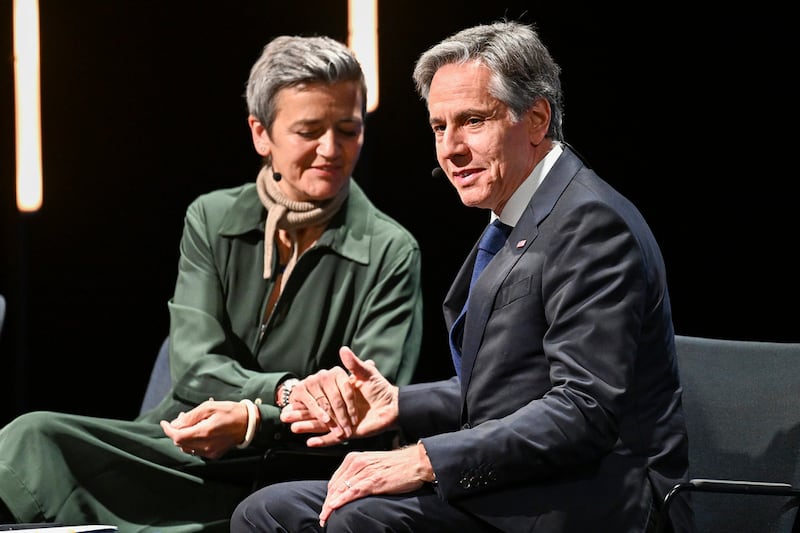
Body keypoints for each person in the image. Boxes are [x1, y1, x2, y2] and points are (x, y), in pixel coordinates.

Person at [230, 20, 694, 533]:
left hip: (595, 498)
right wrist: (398, 404)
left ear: (536, 118)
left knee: (355, 520)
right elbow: (513, 387)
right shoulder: (520, 211)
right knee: (266, 512)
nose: (449, 149)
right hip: (524, 482)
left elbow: (581, 411)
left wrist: (423, 458)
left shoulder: (591, 223)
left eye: (472, 121)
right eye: (438, 127)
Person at [0, 34, 423, 531]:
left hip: (294, 466)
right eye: (309, 131)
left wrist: (251, 421)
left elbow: (369, 405)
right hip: (181, 445)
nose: (331, 150)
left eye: (348, 130)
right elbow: (195, 366)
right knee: (33, 434)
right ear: (260, 133)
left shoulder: (392, 249)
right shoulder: (211, 216)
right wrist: (284, 391)